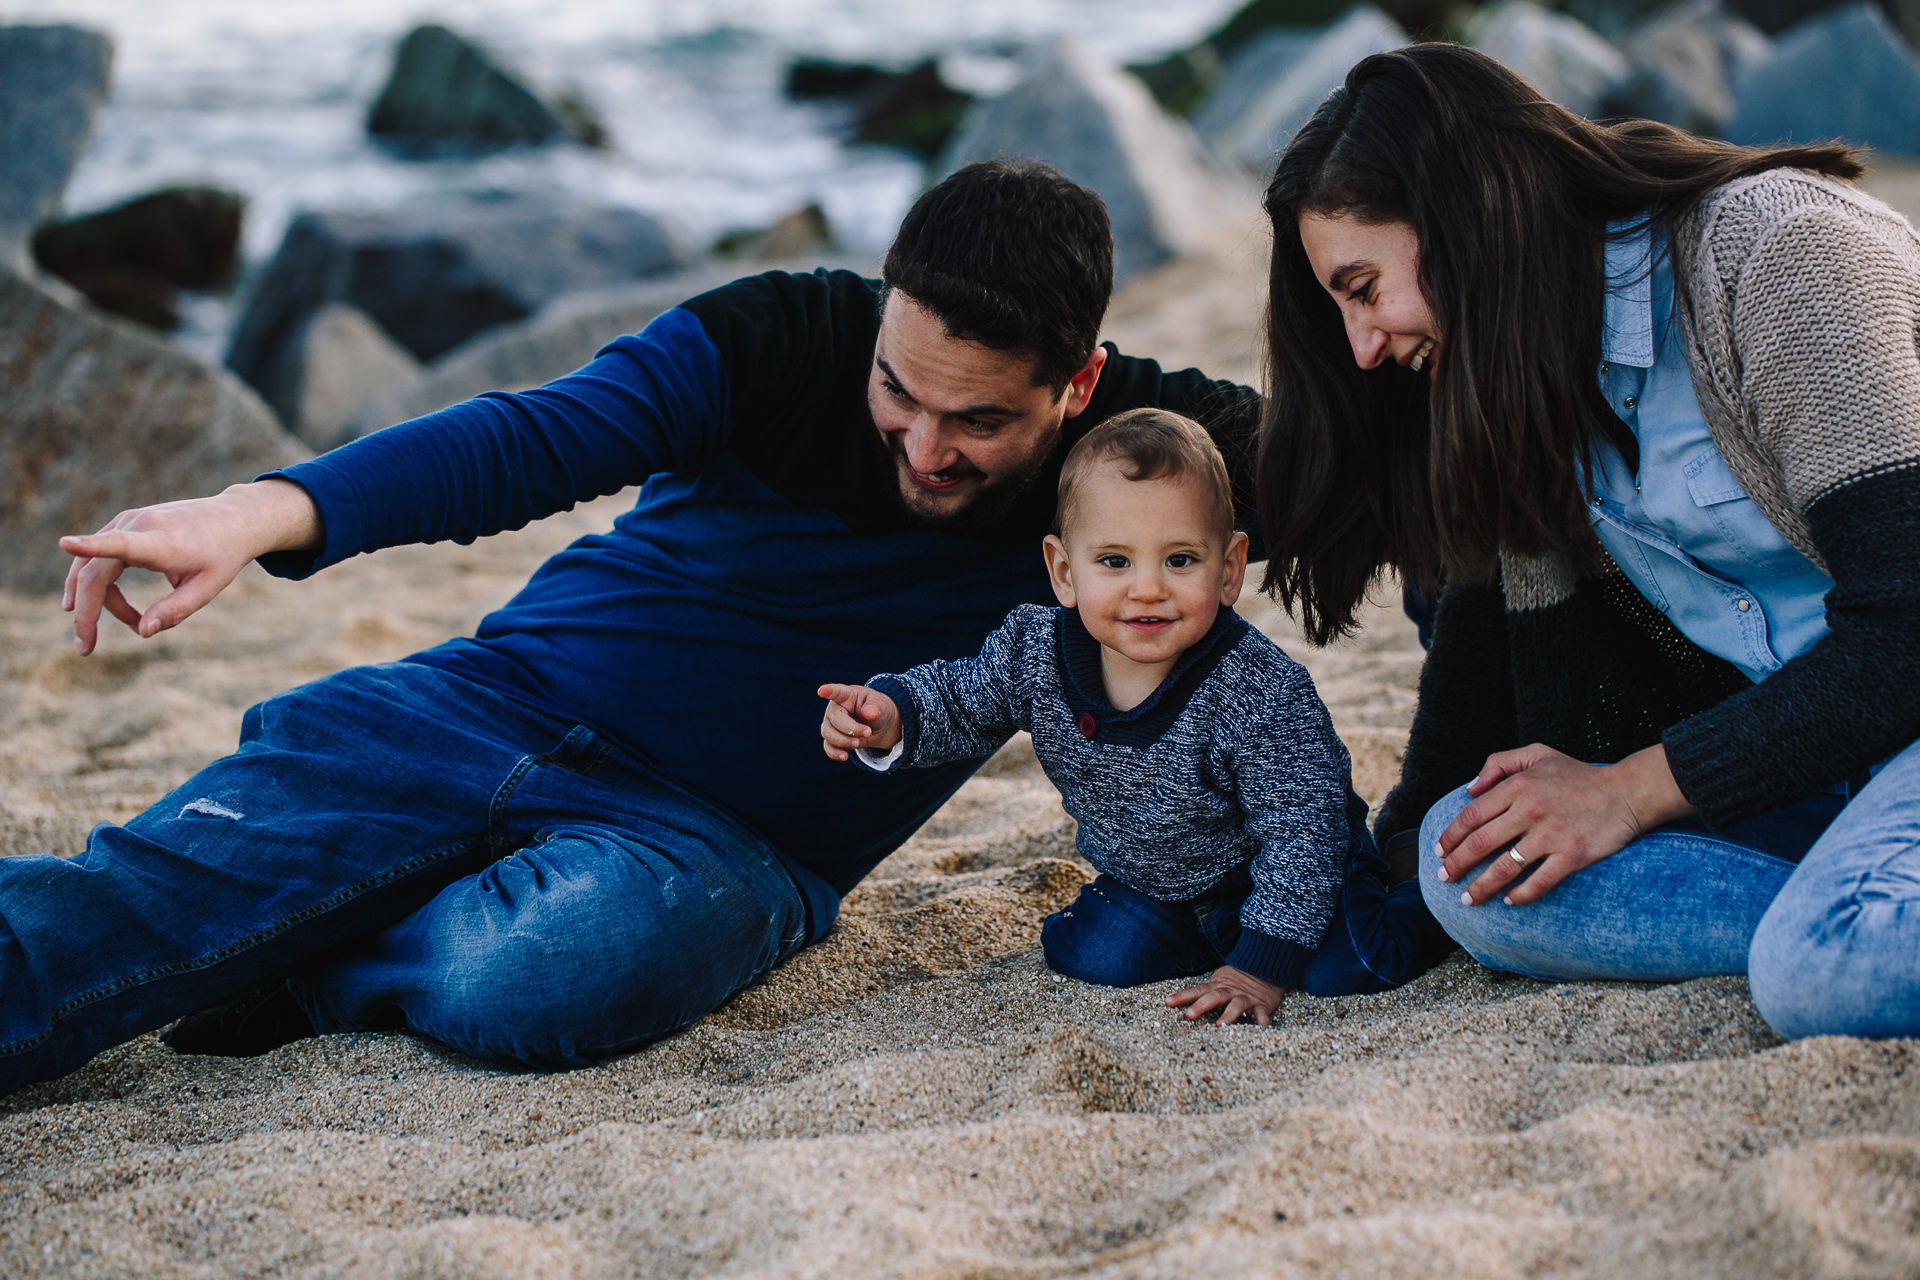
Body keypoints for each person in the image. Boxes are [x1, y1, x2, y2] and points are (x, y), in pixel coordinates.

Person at [0, 160, 1273, 1098]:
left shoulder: (1157, 461)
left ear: (1080, 383)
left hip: (713, 844)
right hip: (482, 705)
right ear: (883, 309)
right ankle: (269, 918)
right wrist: (263, 507)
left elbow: (1414, 480)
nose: (924, 445)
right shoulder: (778, 335)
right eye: (898, 388)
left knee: (560, 964)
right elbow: (533, 437)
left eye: (981, 423)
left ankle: (312, 962)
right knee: (129, 895)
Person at [1255, 43, 1920, 1039]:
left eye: (1362, 286)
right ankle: (1844, 903)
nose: (1363, 346)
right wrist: (1372, 877)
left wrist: (1636, 789)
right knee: (1469, 863)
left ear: (1468, 215)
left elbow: (1909, 614)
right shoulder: (1526, 380)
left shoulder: (1777, 256)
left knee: (1822, 977)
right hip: (1820, 757)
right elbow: (1480, 660)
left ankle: (1843, 927)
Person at [818, 408, 1452, 1027]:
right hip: (1161, 882)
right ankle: (1211, 940)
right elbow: (961, 699)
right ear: (1064, 572)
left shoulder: (1258, 689)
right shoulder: (1033, 653)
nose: (1147, 587)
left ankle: (1416, 885)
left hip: (1294, 874)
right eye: (1115, 562)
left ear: (1229, 569)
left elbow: (1302, 833)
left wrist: (1260, 967)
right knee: (1095, 956)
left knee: (1353, 967)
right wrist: (893, 713)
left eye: (1180, 560)